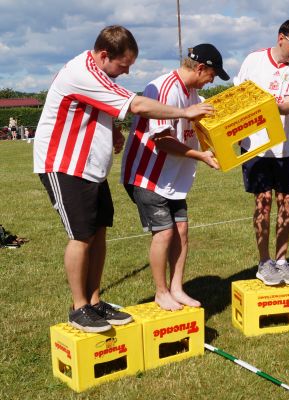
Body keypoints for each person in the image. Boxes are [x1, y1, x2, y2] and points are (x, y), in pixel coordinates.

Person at [33, 25, 216, 333]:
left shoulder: (100, 73)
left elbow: (98, 106)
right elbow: (137, 105)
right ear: (105, 55)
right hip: (63, 164)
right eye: (124, 65)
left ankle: (94, 301)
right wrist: (185, 113)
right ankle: (79, 307)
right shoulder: (82, 72)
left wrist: (115, 131)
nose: (127, 72)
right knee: (81, 235)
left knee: (99, 231)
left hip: (90, 167)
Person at [121, 44, 228, 311]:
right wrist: (200, 156)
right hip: (148, 175)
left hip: (173, 179)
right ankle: (161, 292)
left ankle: (177, 288)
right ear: (200, 68)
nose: (212, 80)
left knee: (181, 230)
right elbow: (163, 140)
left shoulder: (192, 92)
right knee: (164, 233)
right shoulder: (164, 89)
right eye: (212, 74)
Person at [234, 19, 289, 286]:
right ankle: (264, 262)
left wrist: (258, 99)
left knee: (286, 204)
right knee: (263, 203)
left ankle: (282, 260)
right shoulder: (253, 60)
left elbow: (287, 106)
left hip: (285, 149)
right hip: (255, 147)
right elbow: (237, 96)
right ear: (281, 38)